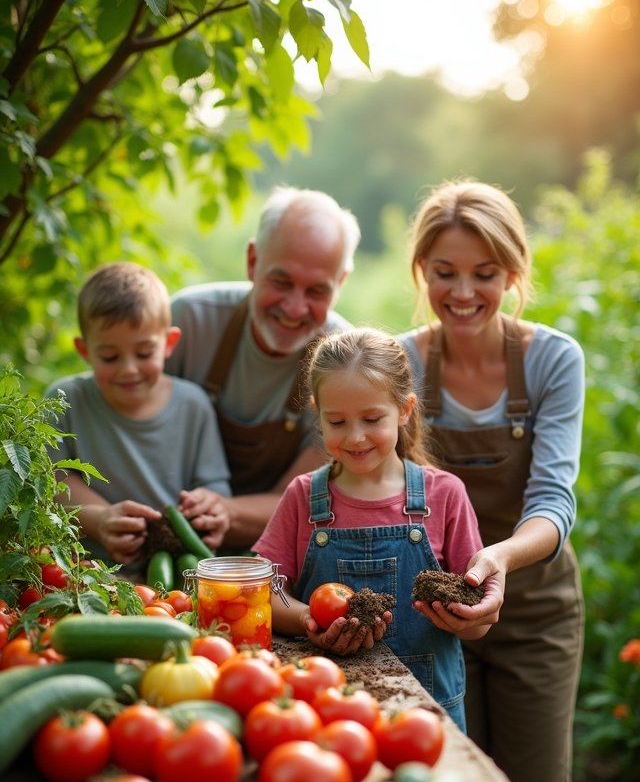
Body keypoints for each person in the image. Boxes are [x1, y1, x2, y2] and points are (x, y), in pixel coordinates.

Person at [398, 179, 585, 782]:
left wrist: (496, 559)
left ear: (513, 271)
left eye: (485, 273)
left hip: (535, 610)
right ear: (421, 270)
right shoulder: (403, 363)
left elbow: (554, 501)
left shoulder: (553, 360)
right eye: (444, 273)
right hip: (431, 607)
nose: (463, 293)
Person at [253, 328, 503, 731]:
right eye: (336, 421)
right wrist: (306, 620)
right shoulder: (303, 497)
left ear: (404, 410)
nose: (354, 436)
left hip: (427, 718)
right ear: (317, 412)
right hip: (329, 710)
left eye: (372, 419)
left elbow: (478, 618)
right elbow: (264, 587)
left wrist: (472, 618)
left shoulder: (444, 494)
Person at [165, 185, 361, 549]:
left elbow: (304, 498)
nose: (294, 308)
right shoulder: (189, 322)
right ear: (253, 261)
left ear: (342, 282)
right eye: (281, 282)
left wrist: (224, 511)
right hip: (167, 539)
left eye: (317, 291)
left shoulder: (345, 364)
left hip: (280, 557)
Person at [45, 261, 232, 576]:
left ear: (169, 344)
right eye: (109, 357)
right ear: (84, 350)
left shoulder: (193, 405)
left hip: (177, 575)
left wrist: (210, 507)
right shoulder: (65, 400)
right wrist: (100, 520)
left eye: (144, 353)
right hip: (85, 573)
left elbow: (215, 487)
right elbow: (52, 481)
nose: (128, 369)